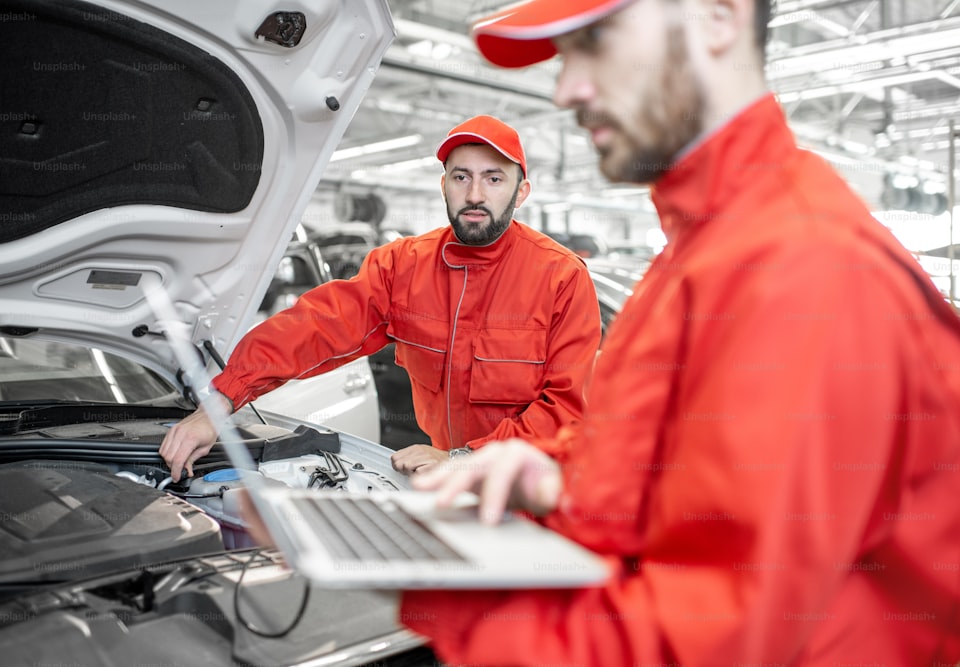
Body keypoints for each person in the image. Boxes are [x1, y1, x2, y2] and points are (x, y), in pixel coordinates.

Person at [396, 0, 960, 665]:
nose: (566, 88)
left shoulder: (800, 267)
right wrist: (554, 475)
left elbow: (709, 638)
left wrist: (429, 582)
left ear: (718, 18)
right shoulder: (710, 245)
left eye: (594, 42)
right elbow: (674, 458)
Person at [159, 114, 602, 481]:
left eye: (494, 178)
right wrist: (219, 402)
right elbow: (315, 325)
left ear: (521, 191)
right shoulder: (403, 266)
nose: (474, 195)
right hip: (448, 486)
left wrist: (463, 459)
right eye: (461, 176)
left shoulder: (561, 278)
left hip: (534, 488)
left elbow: (564, 410)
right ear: (443, 184)